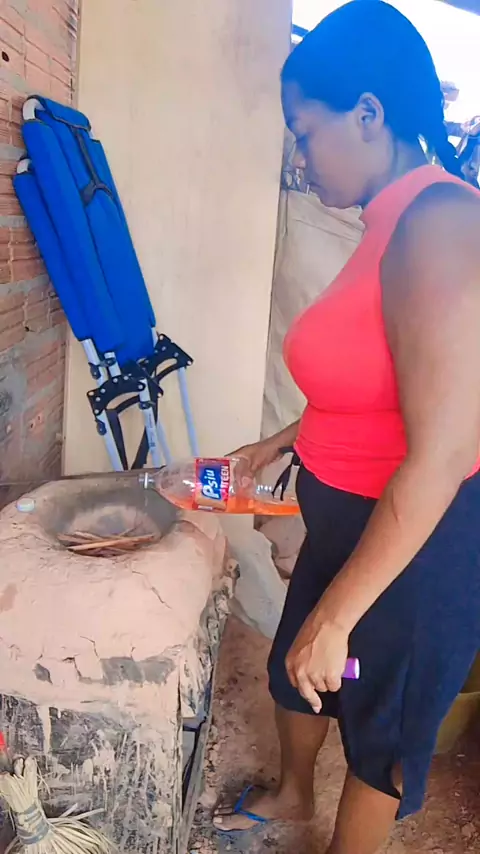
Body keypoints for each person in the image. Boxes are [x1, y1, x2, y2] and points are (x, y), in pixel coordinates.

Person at [213, 3, 480, 853]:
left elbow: (443, 449)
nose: (299, 155)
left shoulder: (442, 225)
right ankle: (294, 796)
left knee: (379, 725)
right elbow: (371, 378)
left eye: (306, 131)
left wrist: (341, 616)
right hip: (344, 518)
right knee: (296, 669)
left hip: (416, 543)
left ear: (368, 112)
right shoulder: (388, 221)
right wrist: (278, 441)